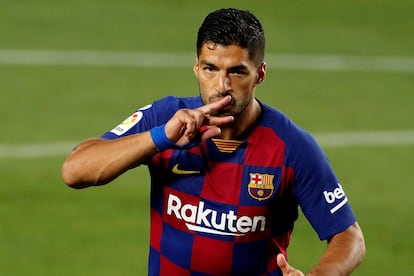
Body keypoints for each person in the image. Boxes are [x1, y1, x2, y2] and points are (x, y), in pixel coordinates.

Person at [62, 8, 365, 275]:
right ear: (196, 66)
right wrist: (160, 137)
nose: (222, 86)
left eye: (236, 72)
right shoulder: (167, 117)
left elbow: (349, 236)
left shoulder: (290, 146)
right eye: (211, 68)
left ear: (259, 74)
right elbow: (75, 170)